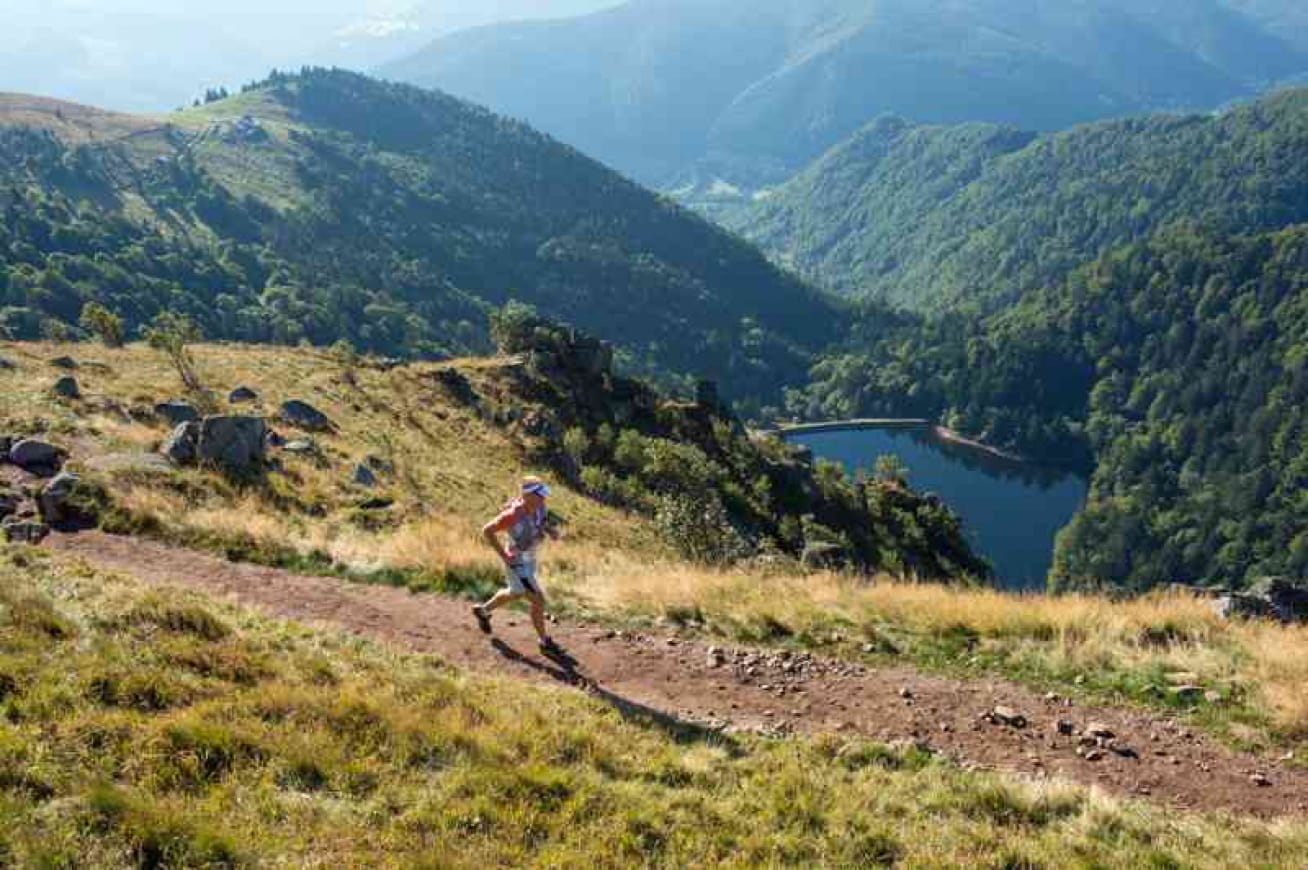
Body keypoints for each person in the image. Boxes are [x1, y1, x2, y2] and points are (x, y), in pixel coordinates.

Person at [472, 476, 562, 652]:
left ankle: (483, 611)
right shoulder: (512, 515)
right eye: (540, 495)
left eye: (544, 495)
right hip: (516, 561)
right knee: (538, 600)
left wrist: (550, 530)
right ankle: (544, 642)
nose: (544, 499)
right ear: (528, 495)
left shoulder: (540, 506)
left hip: (530, 557)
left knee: (516, 592)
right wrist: (504, 555)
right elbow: (487, 531)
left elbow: (541, 521)